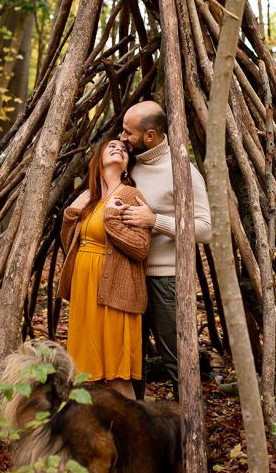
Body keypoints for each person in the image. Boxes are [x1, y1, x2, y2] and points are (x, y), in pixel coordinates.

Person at [119, 101, 211, 398]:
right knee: (132, 359)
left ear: (149, 136)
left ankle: (187, 430)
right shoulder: (129, 164)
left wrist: (155, 221)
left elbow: (205, 229)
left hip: (165, 279)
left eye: (128, 132)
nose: (122, 137)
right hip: (129, 276)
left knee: (175, 356)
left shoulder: (183, 171)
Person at [58, 137, 151, 400]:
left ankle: (134, 435)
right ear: (98, 158)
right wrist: (70, 216)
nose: (118, 149)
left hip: (114, 294)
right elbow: (73, 246)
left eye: (123, 150)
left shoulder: (130, 196)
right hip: (84, 291)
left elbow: (141, 247)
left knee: (116, 375)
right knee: (86, 373)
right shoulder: (89, 197)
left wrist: (111, 218)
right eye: (112, 146)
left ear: (125, 166)